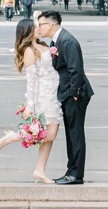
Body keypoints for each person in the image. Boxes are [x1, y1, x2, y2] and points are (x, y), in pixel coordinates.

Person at [0, 17, 63, 183]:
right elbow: (31, 81)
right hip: (44, 96)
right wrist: (29, 106)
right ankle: (15, 136)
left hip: (55, 94)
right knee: (49, 134)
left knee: (51, 135)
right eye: (35, 27)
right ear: (27, 32)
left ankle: (39, 170)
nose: (39, 28)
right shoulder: (29, 51)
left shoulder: (45, 46)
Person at [38, 10, 94, 185]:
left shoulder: (67, 40)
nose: (38, 28)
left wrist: (74, 94)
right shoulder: (58, 40)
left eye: (40, 25)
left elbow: (75, 69)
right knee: (71, 134)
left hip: (74, 95)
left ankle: (76, 174)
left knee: (75, 133)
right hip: (67, 94)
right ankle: (71, 171)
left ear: (50, 25)